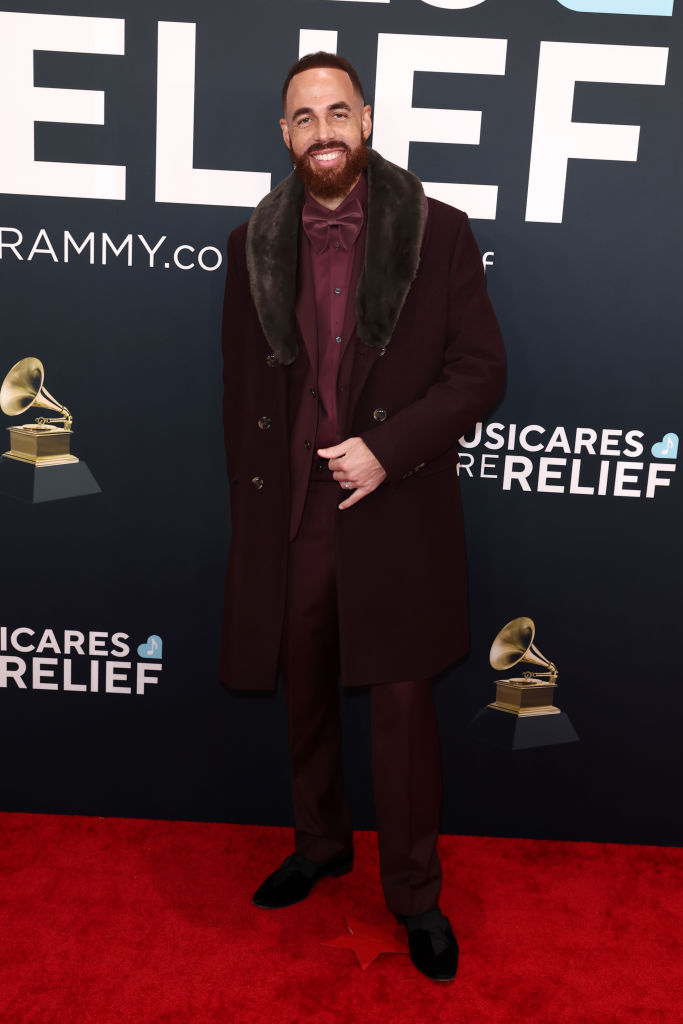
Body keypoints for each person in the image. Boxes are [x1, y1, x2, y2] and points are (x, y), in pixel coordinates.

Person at [220, 52, 505, 982]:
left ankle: (415, 894)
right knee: (304, 683)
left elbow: (479, 372)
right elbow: (240, 396)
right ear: (285, 136)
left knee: (399, 711)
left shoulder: (439, 233)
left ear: (368, 119)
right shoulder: (253, 243)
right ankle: (319, 843)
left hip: (397, 502)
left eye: (337, 112)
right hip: (297, 509)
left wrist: (390, 447)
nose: (323, 131)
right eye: (304, 118)